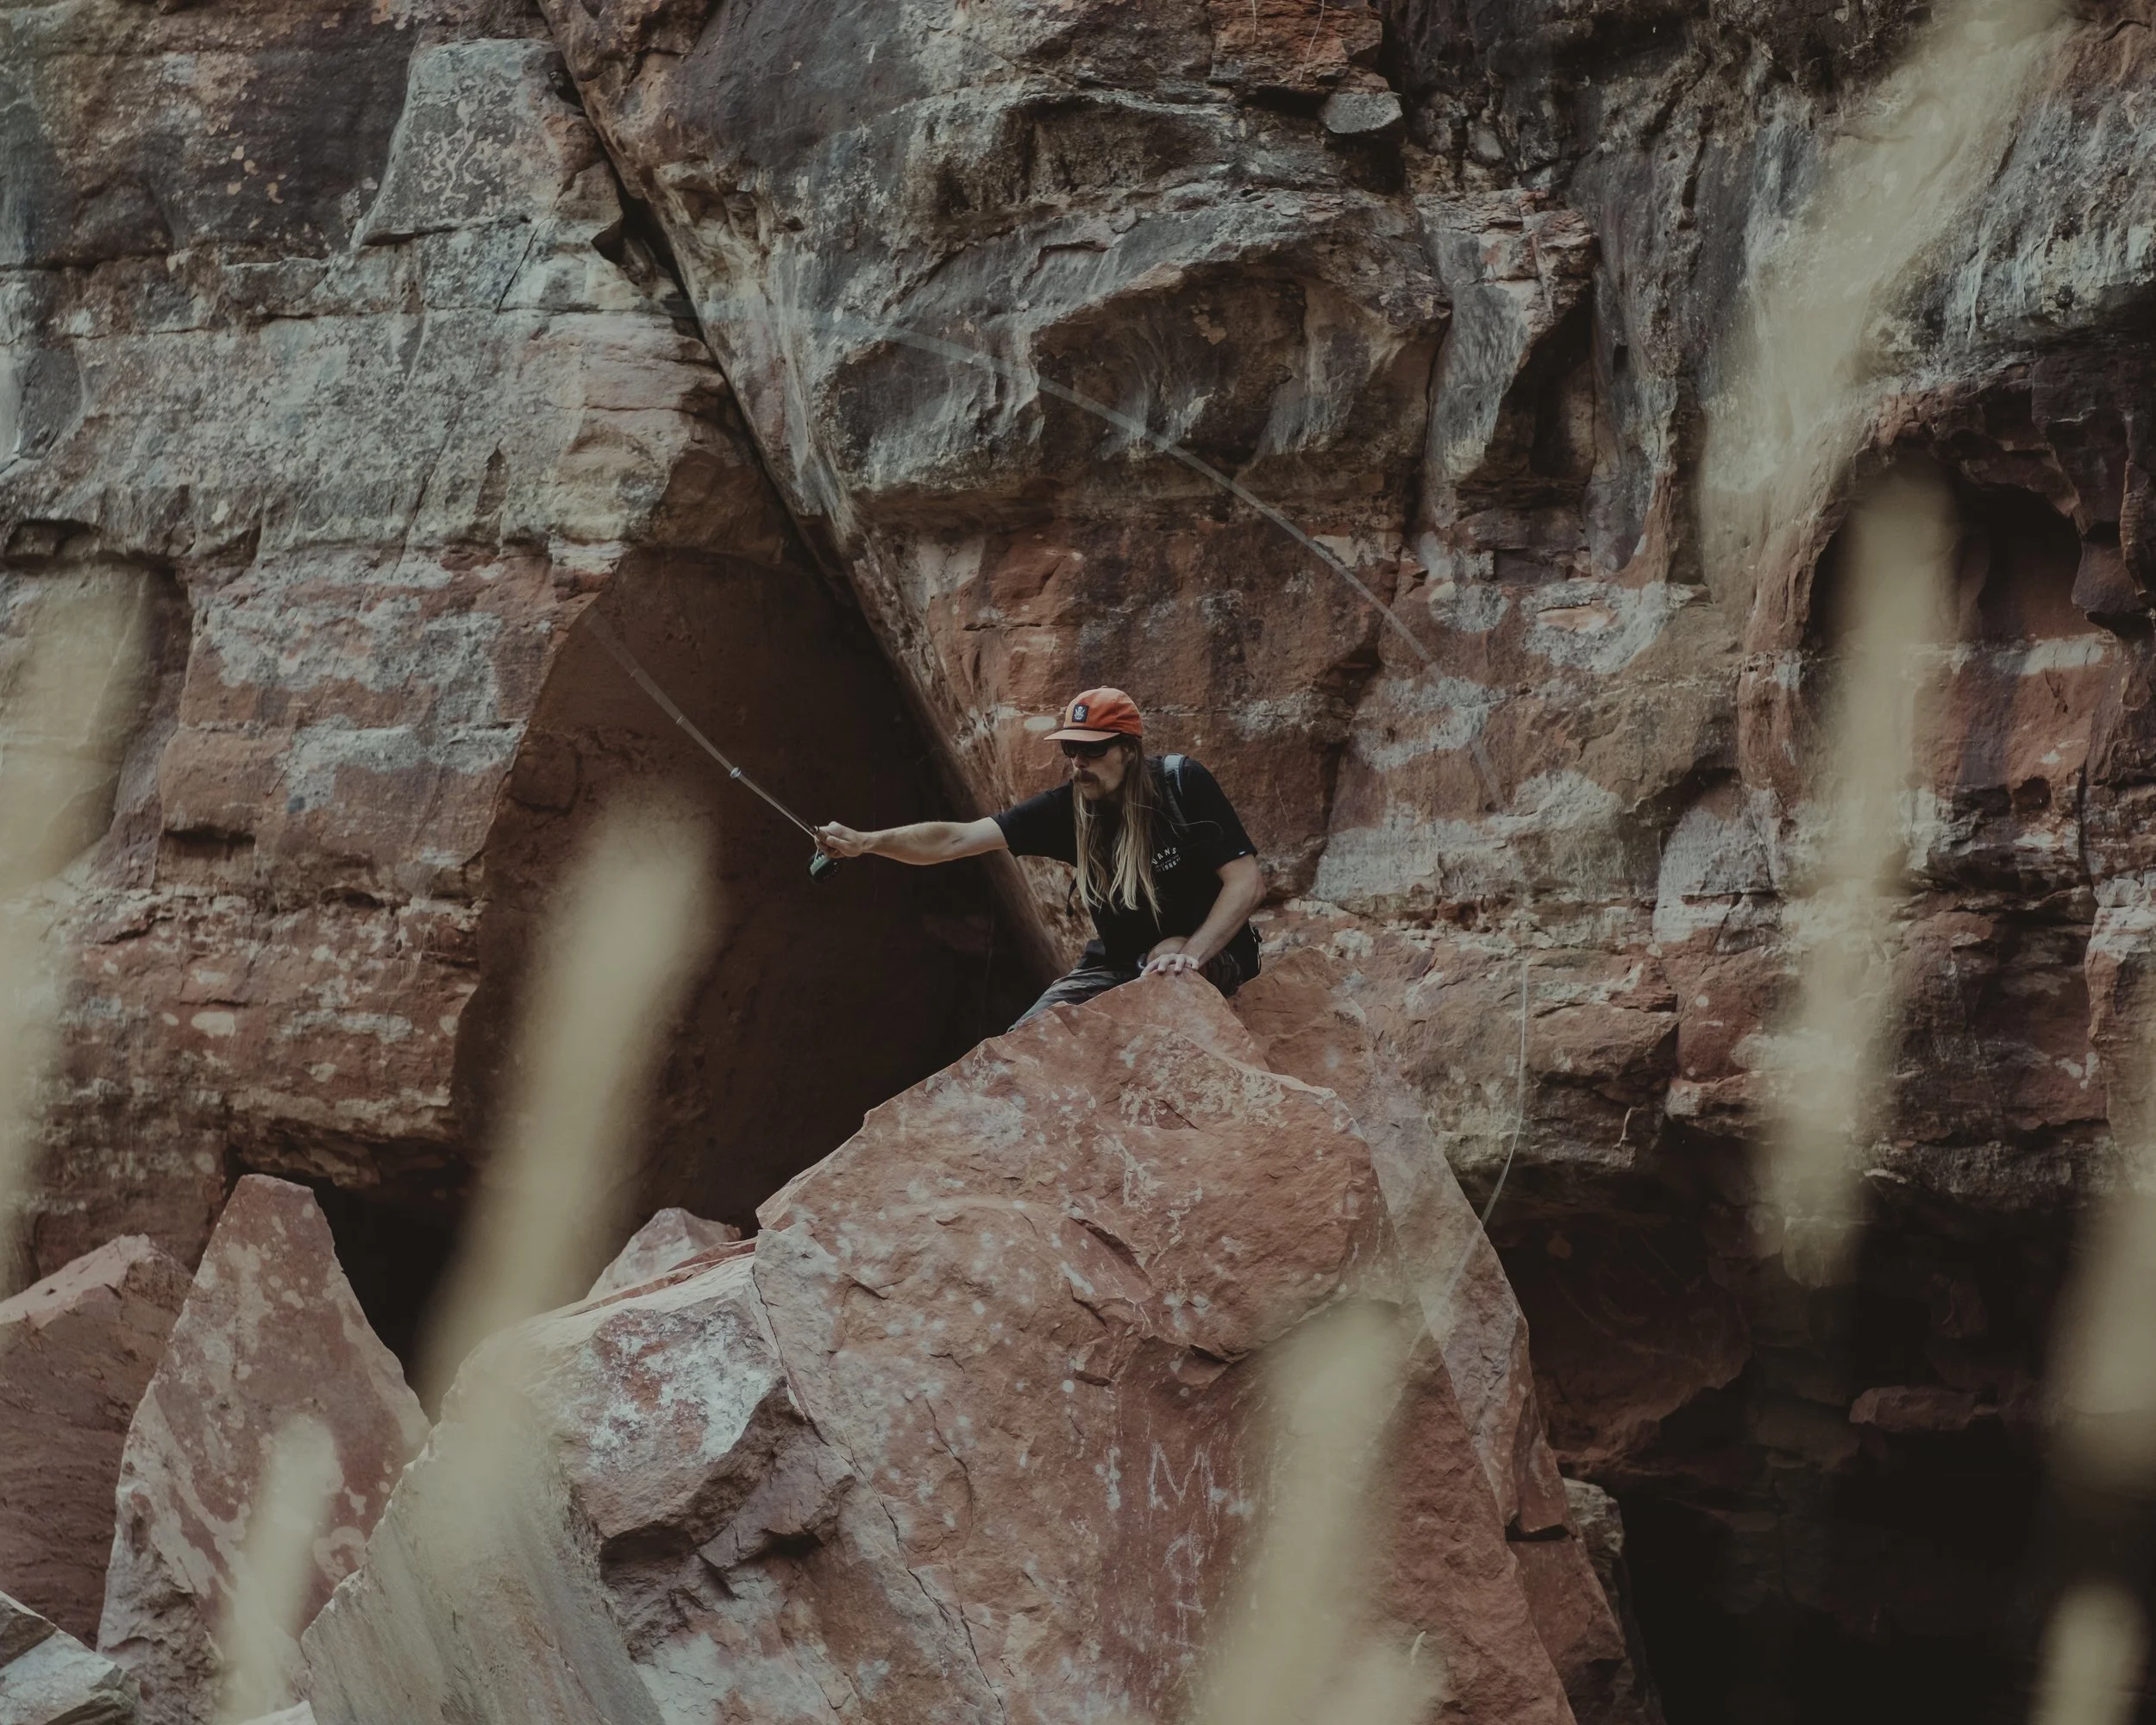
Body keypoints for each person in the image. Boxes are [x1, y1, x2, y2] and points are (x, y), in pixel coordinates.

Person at [815, 687, 1264, 1022]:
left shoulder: (1180, 784)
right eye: (1071, 749)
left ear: (1128, 749)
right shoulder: (1067, 809)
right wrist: (867, 842)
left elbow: (1246, 882)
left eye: (1092, 749)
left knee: (1166, 957)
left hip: (1209, 953)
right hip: (1118, 965)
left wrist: (1192, 954)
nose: (1078, 762)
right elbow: (955, 839)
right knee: (1030, 1038)